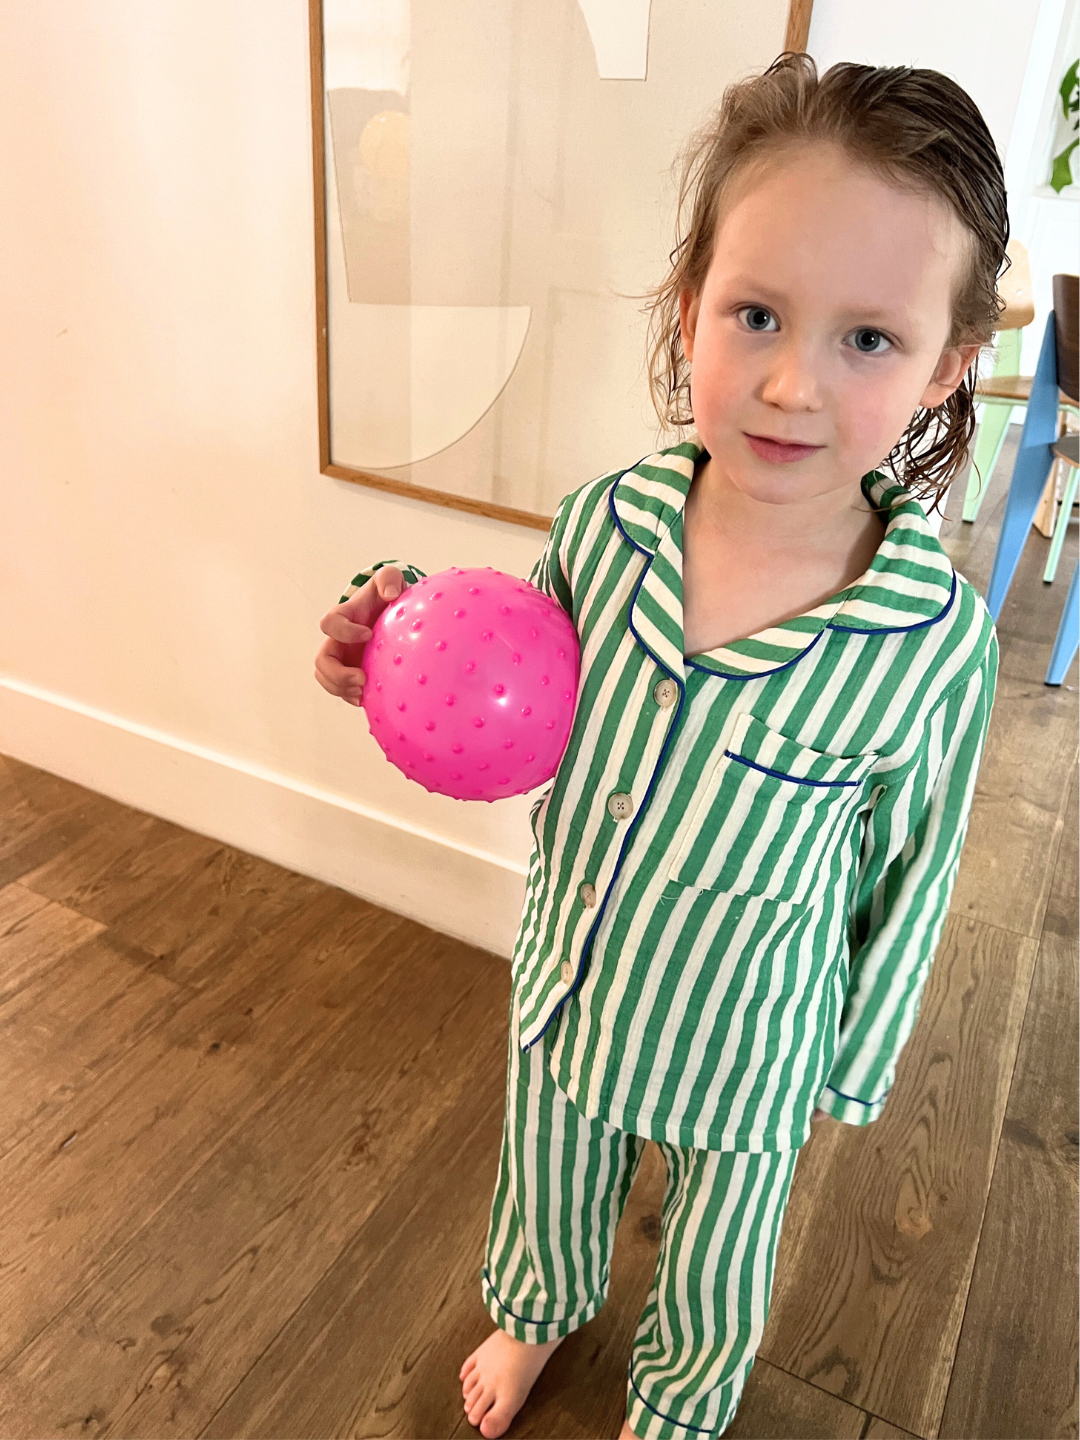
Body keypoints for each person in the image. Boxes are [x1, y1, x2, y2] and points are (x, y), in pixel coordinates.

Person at [314, 53, 1004, 1440]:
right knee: (547, 1168)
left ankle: (682, 1402)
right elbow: (504, 663)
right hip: (577, 969)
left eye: (867, 339)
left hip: (752, 1035)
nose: (792, 382)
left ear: (944, 368)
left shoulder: (929, 634)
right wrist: (383, 631)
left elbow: (916, 860)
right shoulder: (606, 524)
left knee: (717, 1253)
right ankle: (540, 1307)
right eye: (756, 313)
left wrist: (854, 1060)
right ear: (692, 308)